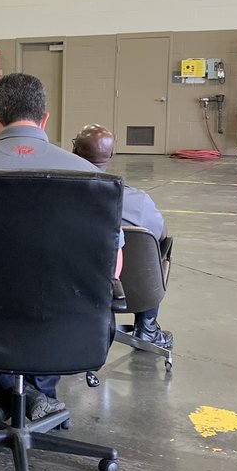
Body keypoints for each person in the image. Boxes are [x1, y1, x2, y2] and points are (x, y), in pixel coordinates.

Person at [0, 73, 122, 424]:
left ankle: (4, 396)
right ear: (45, 118)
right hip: (66, 325)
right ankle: (38, 397)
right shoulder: (89, 177)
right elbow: (114, 268)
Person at [72, 124, 172, 348]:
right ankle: (146, 327)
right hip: (128, 289)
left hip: (72, 289)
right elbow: (162, 235)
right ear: (112, 154)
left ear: (74, 151)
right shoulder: (137, 201)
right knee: (158, 248)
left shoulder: (60, 198)